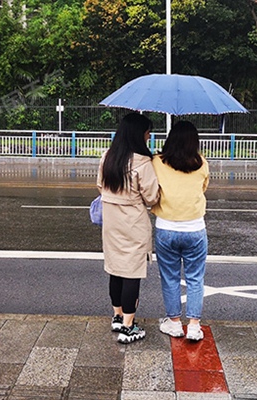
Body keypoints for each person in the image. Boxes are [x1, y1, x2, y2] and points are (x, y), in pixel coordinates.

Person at [97, 112, 160, 344]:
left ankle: (117, 315)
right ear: (138, 135)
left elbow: (99, 185)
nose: (149, 135)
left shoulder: (108, 157)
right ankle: (128, 326)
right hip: (133, 223)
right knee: (132, 272)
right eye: (147, 131)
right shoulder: (143, 163)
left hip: (112, 223)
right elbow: (152, 197)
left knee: (115, 268)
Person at [151, 121, 209, 341]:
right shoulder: (202, 163)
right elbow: (203, 188)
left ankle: (174, 323)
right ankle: (194, 326)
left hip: (166, 227)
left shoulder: (157, 161)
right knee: (195, 278)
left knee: (170, 277)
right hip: (195, 228)